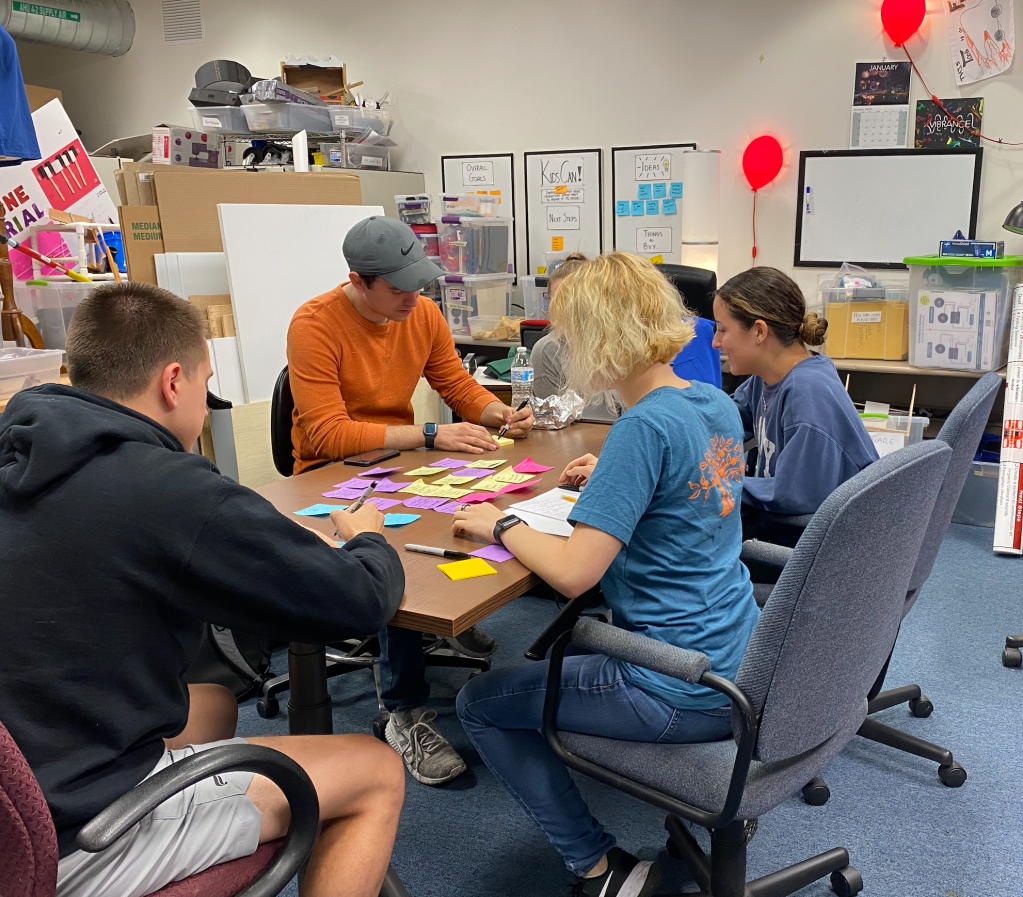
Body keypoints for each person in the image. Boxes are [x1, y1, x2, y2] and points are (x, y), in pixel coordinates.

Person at [0, 283, 407, 897]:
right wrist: (369, 538)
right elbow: (360, 601)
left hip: (31, 763)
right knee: (375, 769)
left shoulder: (20, 453)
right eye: (205, 383)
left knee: (213, 704)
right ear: (173, 382)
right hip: (65, 839)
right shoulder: (165, 486)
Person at [451, 253, 760, 897]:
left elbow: (572, 574)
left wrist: (500, 524)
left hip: (674, 683)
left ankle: (598, 869)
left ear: (601, 338)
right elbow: (687, 490)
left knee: (478, 704)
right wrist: (617, 476)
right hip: (741, 662)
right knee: (556, 662)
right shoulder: (712, 401)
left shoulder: (640, 428)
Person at [287, 215, 533, 786]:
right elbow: (326, 434)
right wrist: (428, 434)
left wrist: (497, 411)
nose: (413, 298)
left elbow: (457, 385)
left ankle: (446, 616)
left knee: (480, 510)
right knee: (393, 560)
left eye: (419, 284)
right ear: (359, 280)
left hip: (399, 460)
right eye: (399, 288)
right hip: (329, 474)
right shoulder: (314, 323)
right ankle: (404, 713)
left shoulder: (420, 313)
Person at [712, 267, 879, 541]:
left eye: (722, 329)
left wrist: (715, 487)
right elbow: (726, 418)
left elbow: (795, 493)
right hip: (790, 528)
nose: (715, 342)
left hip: (819, 545)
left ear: (759, 331)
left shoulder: (807, 391)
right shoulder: (768, 378)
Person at [531, 255, 721, 408]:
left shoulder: (638, 426)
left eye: (578, 333)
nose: (572, 350)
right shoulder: (718, 402)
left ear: (609, 334)